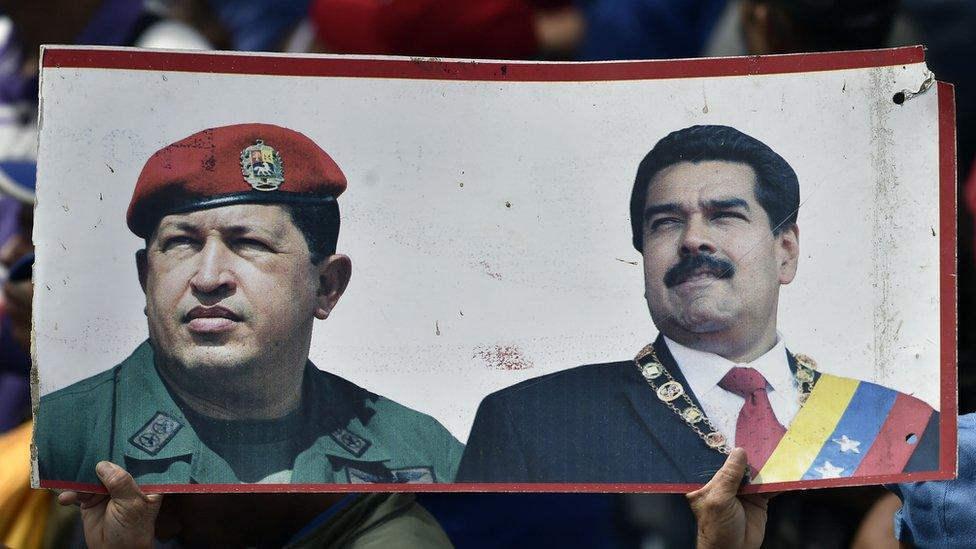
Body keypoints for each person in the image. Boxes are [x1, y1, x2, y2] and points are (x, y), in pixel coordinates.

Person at [457, 124, 940, 483]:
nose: (693, 240)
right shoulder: (531, 421)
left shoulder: (903, 426)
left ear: (785, 253)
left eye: (725, 215)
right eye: (665, 222)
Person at [35, 123, 463, 485]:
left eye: (249, 244)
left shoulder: (422, 454)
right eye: (181, 244)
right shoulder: (55, 441)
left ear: (327, 286)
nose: (207, 278)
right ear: (146, 277)